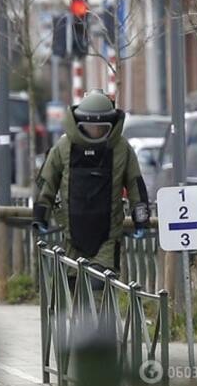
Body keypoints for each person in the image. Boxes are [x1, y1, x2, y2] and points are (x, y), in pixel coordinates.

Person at [32, 89, 150, 273]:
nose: (95, 132)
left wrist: (141, 219)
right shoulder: (63, 147)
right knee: (73, 283)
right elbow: (47, 184)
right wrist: (40, 216)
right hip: (72, 234)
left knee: (99, 282)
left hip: (108, 236)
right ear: (79, 123)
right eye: (90, 128)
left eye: (101, 128)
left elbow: (136, 186)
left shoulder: (121, 149)